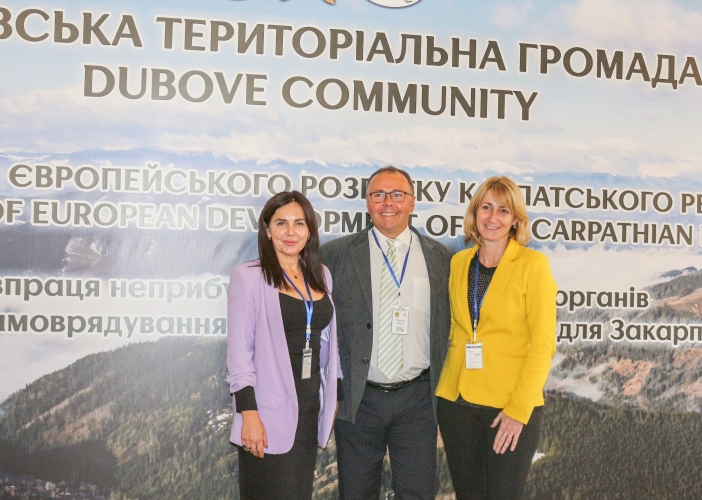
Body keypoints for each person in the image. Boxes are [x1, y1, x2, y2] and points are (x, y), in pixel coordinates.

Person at [322, 166, 454, 500]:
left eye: (397, 194)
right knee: (356, 493)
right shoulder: (334, 256)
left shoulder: (441, 258)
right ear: (367, 202)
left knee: (417, 493)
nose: (388, 202)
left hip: (417, 400)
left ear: (412, 202)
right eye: (378, 194)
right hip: (358, 399)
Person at [435, 176, 557, 500]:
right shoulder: (459, 262)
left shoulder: (533, 265)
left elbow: (543, 344)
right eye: (486, 207)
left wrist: (518, 409)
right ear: (475, 212)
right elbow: (455, 327)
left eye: (503, 210)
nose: (493, 217)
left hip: (508, 406)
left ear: (515, 219)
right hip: (456, 404)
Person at [226, 191, 342, 500]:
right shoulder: (248, 277)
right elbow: (239, 354)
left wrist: (334, 395)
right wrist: (248, 414)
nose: (291, 232)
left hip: (309, 410)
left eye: (299, 223)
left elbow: (328, 342)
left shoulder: (321, 275)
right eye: (281, 223)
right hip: (266, 416)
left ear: (310, 230)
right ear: (267, 230)